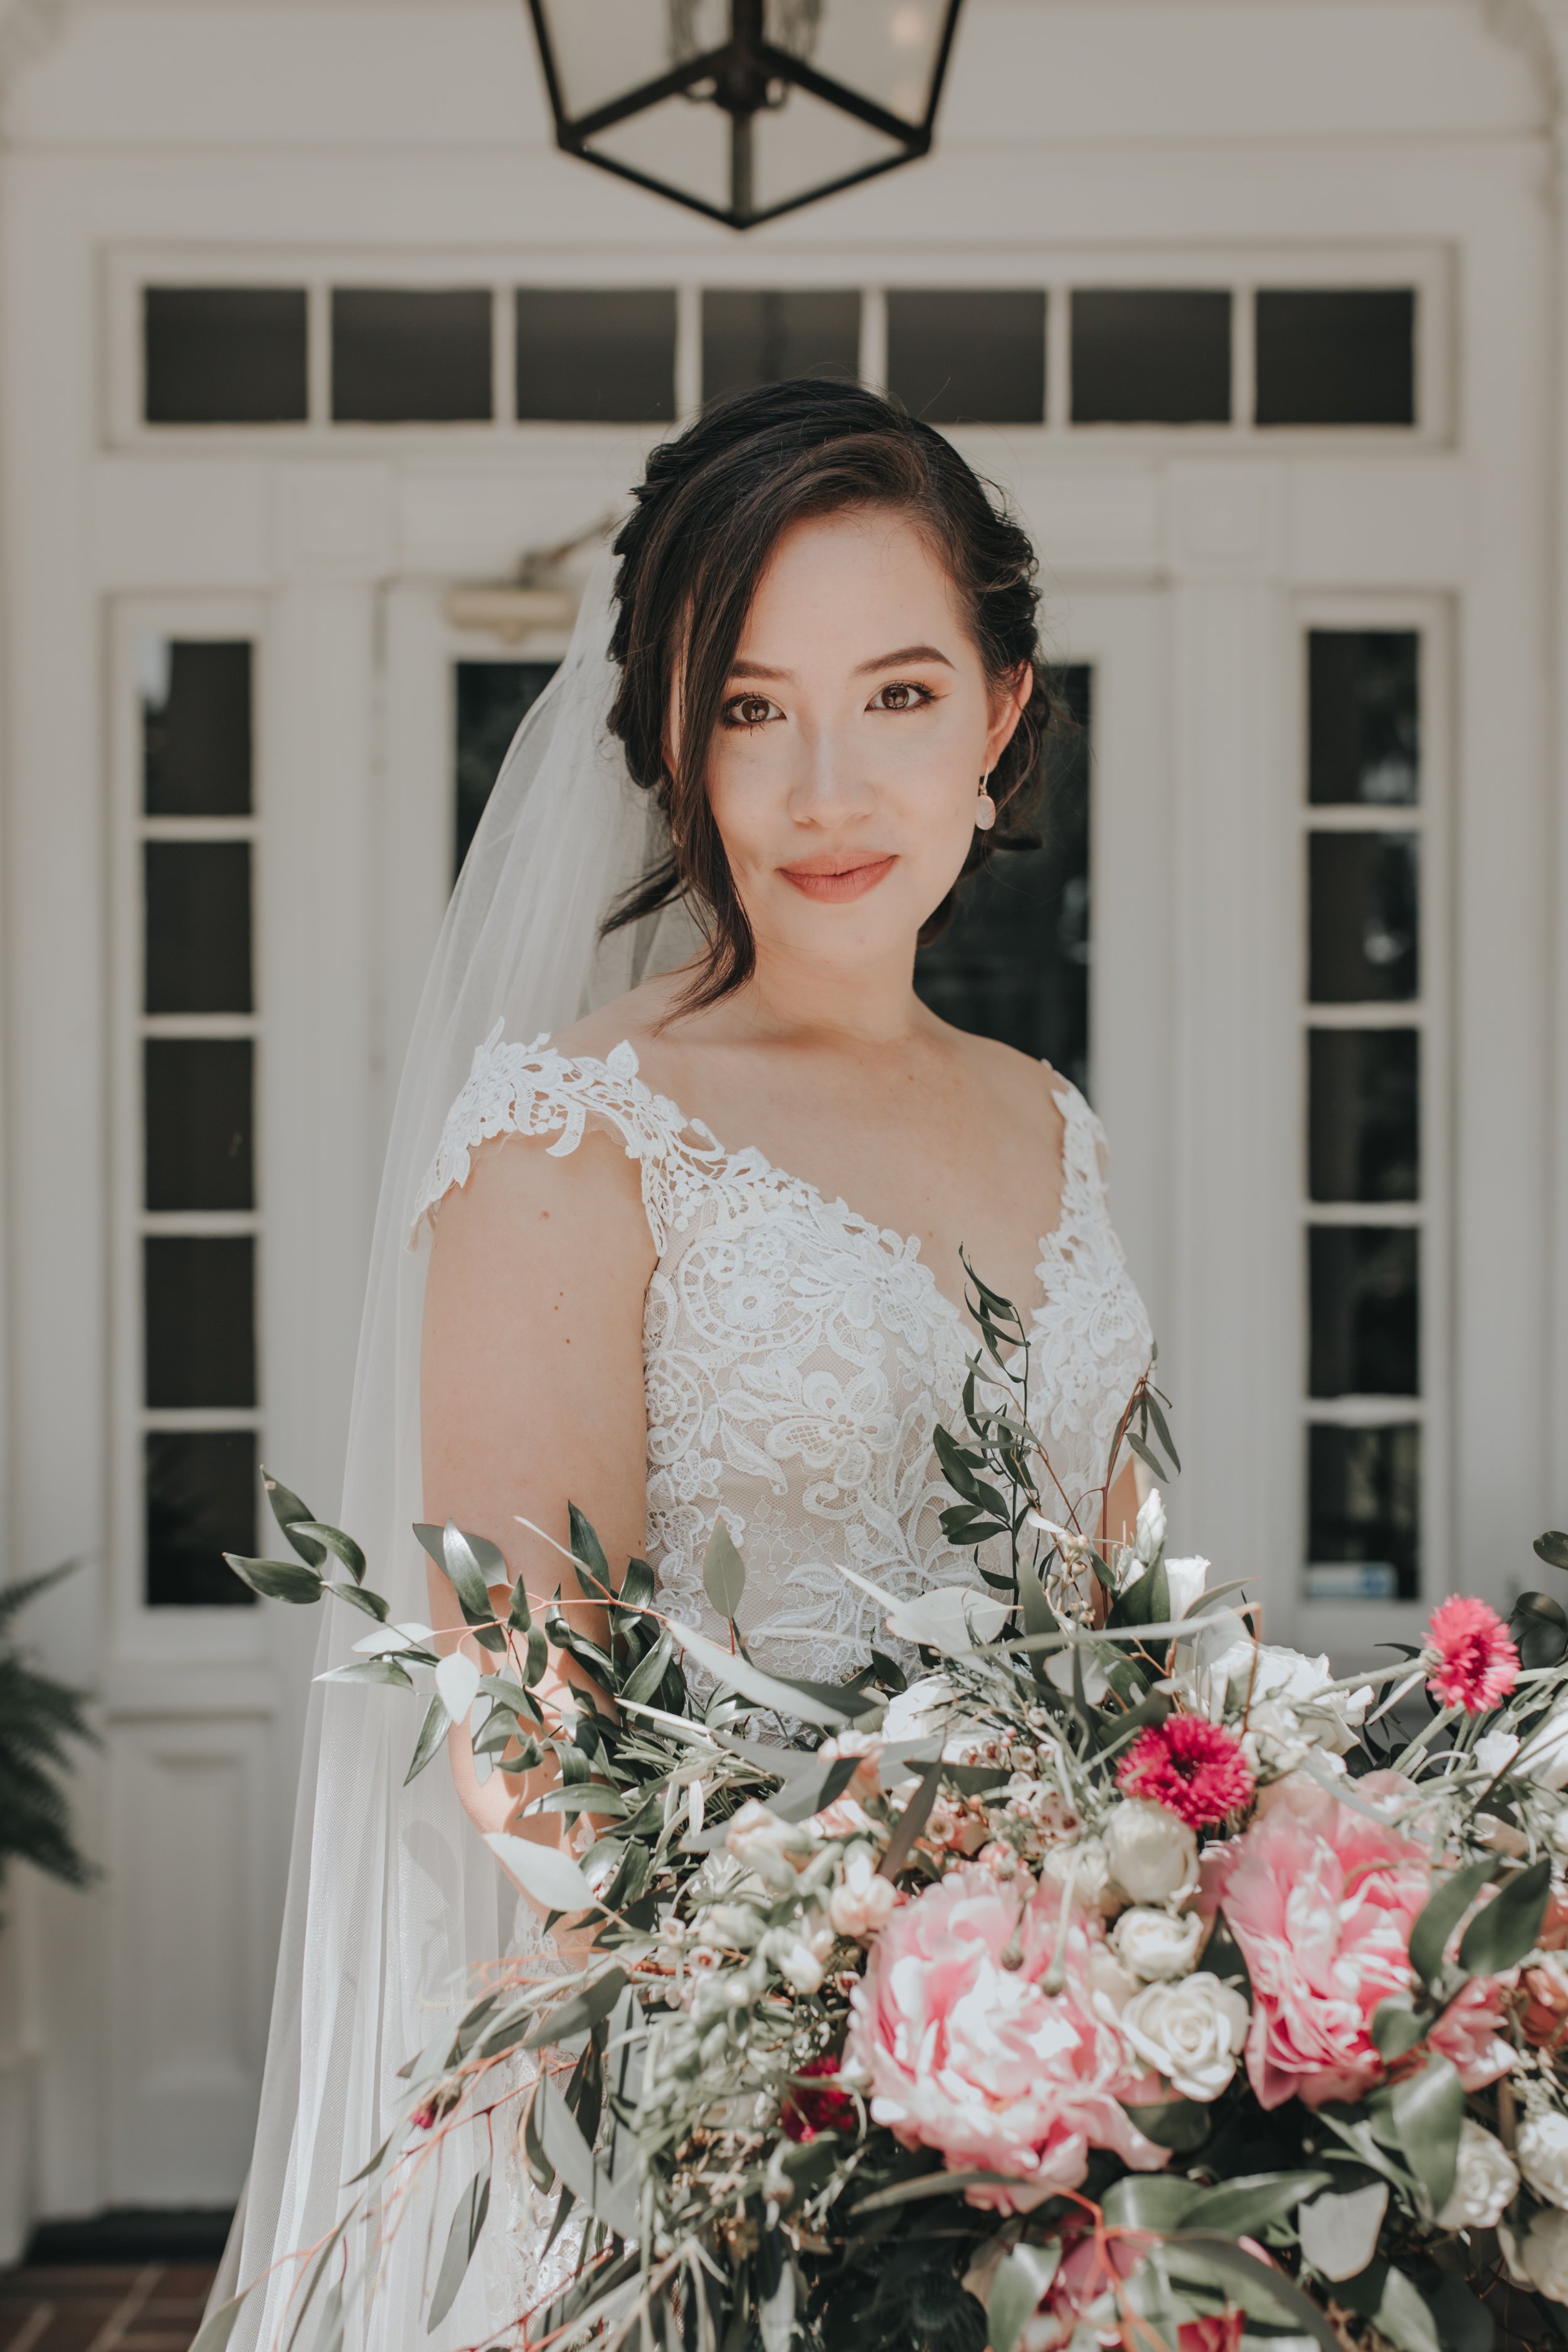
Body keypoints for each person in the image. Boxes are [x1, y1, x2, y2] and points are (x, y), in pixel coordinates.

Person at [219, 381, 1153, 2349]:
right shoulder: (570, 1130)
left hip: (1079, 2102)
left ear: (999, 718)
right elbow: (536, 1743)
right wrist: (856, 2010)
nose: (827, 785)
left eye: (898, 696)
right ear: (670, 739)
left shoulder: (1044, 1118)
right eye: (750, 706)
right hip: (727, 2132)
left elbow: (1117, 1629)